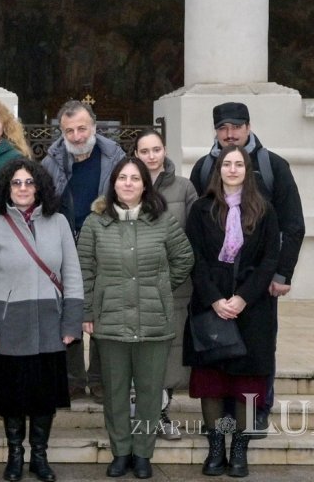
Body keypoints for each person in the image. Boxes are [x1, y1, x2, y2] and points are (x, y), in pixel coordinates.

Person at [188, 101, 305, 430]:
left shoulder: (273, 166)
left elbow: (293, 224)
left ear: (248, 128)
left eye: (236, 127)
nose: (230, 134)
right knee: (220, 343)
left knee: (258, 346)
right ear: (216, 132)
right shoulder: (202, 168)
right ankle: (225, 409)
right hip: (218, 282)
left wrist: (282, 272)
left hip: (258, 282)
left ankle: (259, 407)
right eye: (223, 128)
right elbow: (197, 226)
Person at [77, 157, 193, 480]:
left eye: (135, 179)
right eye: (122, 178)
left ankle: (143, 453)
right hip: (110, 323)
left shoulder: (162, 221)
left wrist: (159, 288)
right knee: (114, 393)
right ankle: (121, 451)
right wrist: (87, 310)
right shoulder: (95, 223)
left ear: (145, 185)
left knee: (149, 392)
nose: (128, 183)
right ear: (113, 184)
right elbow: (84, 270)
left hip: (153, 323)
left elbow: (184, 259)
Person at [0, 158, 83, 482]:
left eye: (29, 183)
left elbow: (73, 275)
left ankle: (39, 455)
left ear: (40, 187)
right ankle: (15, 455)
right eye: (16, 183)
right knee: (11, 398)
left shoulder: (59, 222)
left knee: (43, 397)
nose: (23, 188)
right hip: (8, 327)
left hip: (50, 324)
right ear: (7, 189)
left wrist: (71, 323)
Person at [184, 145, 280, 479]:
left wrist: (243, 298)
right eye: (227, 163)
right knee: (212, 382)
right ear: (218, 169)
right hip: (211, 306)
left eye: (239, 164)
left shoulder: (264, 209)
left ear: (247, 169)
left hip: (252, 310)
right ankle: (215, 450)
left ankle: (240, 450)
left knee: (247, 384)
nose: (233, 169)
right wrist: (214, 299)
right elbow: (193, 258)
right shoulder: (201, 209)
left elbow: (270, 260)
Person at [40, 99, 124, 398]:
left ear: (94, 126)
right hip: (65, 244)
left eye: (82, 128)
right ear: (61, 132)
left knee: (103, 308)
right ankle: (73, 378)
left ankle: (99, 378)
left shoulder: (115, 157)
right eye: (69, 130)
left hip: (106, 242)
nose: (76, 136)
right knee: (69, 308)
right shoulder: (51, 161)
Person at [134, 129, 200, 439]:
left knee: (169, 352)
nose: (150, 156)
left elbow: (193, 236)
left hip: (175, 284)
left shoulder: (185, 188)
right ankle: (138, 411)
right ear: (136, 154)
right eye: (144, 150)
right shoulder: (128, 184)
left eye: (156, 149)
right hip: (136, 284)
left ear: (165, 150)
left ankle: (161, 413)